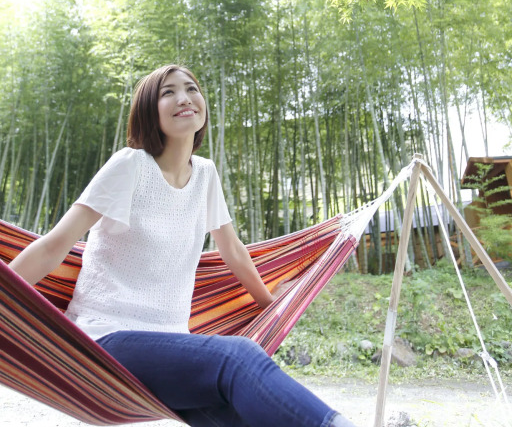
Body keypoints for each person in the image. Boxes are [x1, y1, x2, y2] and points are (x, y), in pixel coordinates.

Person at [9, 64, 356, 427]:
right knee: (236, 357)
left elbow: (232, 249)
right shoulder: (129, 166)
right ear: (149, 111)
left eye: (191, 89)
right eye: (168, 92)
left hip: (171, 347)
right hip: (104, 340)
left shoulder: (205, 174)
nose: (184, 98)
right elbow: (53, 247)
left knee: (239, 417)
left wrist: (271, 306)